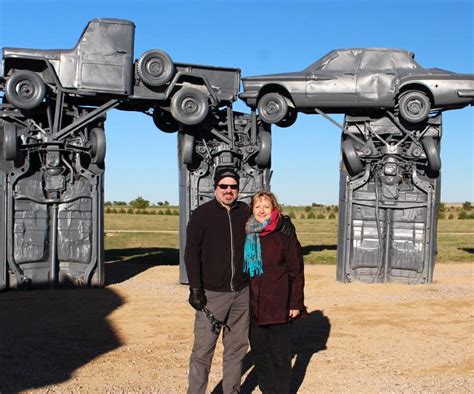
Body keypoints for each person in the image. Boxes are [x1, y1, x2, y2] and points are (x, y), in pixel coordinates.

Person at [185, 167, 250, 394]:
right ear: (216, 188)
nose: (229, 190)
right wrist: (195, 288)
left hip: (242, 293)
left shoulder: (245, 212)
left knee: (236, 350)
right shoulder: (202, 214)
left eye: (233, 187)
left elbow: (264, 234)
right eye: (224, 186)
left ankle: (231, 391)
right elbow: (191, 252)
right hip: (211, 294)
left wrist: (283, 226)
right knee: (203, 352)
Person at [244, 191, 306, 394]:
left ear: (274, 209)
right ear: (252, 210)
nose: (262, 211)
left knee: (280, 356)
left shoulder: (284, 235)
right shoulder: (247, 234)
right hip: (254, 306)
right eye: (257, 206)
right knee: (260, 354)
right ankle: (267, 389)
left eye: (266, 206)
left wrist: (295, 303)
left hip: (279, 306)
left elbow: (296, 272)